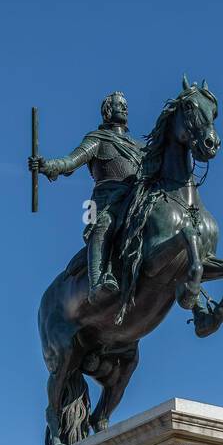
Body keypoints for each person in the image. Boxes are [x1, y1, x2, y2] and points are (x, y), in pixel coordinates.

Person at [29, 91, 144, 301]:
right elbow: (70, 161)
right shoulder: (97, 139)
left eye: (126, 105)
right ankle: (97, 283)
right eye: (120, 105)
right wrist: (47, 166)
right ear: (108, 111)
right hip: (103, 200)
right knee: (102, 226)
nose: (125, 109)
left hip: (134, 198)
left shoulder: (139, 147)